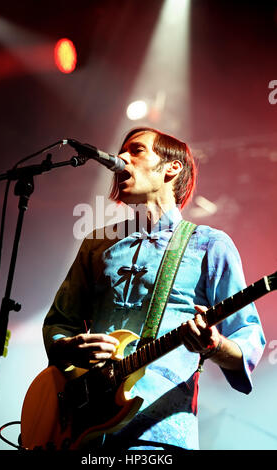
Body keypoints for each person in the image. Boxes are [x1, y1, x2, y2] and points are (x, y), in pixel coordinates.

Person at [43, 127, 265, 451]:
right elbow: (59, 322)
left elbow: (248, 336)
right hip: (83, 430)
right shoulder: (96, 244)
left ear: (171, 167)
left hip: (160, 437)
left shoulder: (209, 245)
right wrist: (69, 349)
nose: (121, 158)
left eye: (136, 150)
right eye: (122, 150)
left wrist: (214, 345)